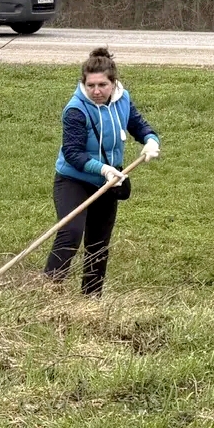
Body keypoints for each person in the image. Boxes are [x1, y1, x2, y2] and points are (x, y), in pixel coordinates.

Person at [48, 46, 159, 295]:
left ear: (113, 83)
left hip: (109, 181)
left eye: (102, 85)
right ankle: (49, 290)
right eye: (90, 85)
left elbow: (138, 125)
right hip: (74, 180)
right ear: (83, 84)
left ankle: (92, 299)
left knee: (98, 243)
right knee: (70, 232)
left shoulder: (123, 99)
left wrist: (151, 140)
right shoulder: (75, 110)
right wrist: (103, 169)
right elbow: (73, 153)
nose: (96, 91)